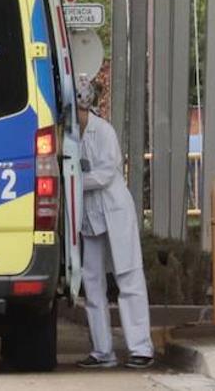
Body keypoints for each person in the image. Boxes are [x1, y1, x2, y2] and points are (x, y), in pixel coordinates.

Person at [75, 75, 154, 370]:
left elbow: (106, 174)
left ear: (85, 105)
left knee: (128, 275)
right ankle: (101, 350)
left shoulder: (103, 131)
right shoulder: (69, 135)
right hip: (89, 214)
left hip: (114, 209)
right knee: (91, 280)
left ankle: (141, 348)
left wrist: (71, 183)